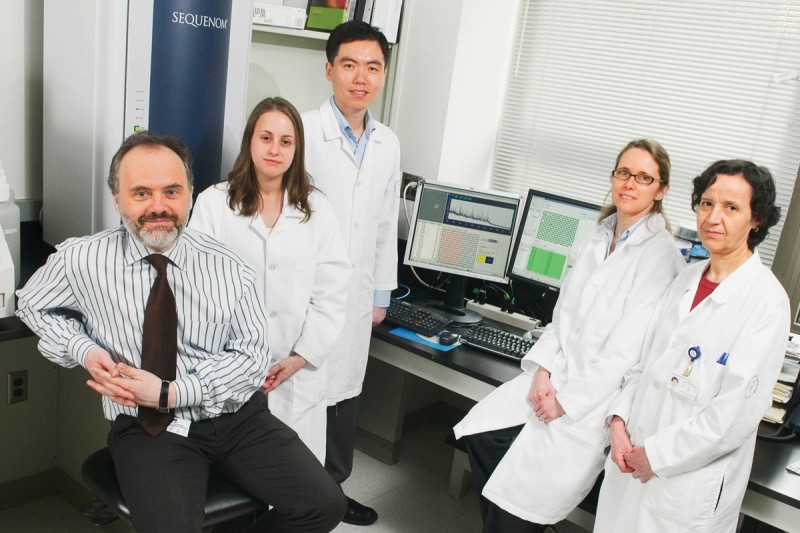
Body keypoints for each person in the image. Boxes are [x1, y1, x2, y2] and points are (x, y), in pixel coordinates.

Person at [15, 131, 346, 533]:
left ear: (190, 193)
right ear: (117, 199)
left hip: (236, 417)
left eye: (171, 191)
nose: (159, 207)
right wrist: (82, 348)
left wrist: (170, 393)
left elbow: (251, 356)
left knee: (325, 505)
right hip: (147, 428)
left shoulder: (227, 266)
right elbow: (31, 303)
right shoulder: (82, 259)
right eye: (141, 193)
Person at [453, 139, 686, 532]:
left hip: (585, 406)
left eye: (644, 177)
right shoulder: (600, 235)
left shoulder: (661, 258)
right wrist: (543, 372)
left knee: (517, 506)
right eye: (623, 172)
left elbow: (624, 354)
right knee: (482, 436)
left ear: (660, 190)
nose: (630, 183)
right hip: (550, 379)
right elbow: (563, 318)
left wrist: (566, 401)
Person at [594, 160, 790, 532]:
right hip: (630, 461)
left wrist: (656, 455)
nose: (713, 217)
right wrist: (618, 422)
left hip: (683, 490)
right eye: (706, 203)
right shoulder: (685, 278)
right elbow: (643, 364)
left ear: (757, 219)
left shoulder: (766, 302)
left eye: (731, 207)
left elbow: (733, 417)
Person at [190, 96, 351, 463]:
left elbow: (331, 295)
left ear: (297, 149)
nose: (275, 149)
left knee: (296, 489)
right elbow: (197, 292)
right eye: (266, 137)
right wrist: (232, 362)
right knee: (238, 484)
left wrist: (300, 357)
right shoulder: (214, 204)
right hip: (230, 371)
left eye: (286, 141)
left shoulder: (317, 210)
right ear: (250, 141)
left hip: (296, 374)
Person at [302, 20, 401, 526]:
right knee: (301, 399)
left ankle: (333, 493)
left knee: (343, 396)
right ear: (329, 70)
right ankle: (294, 497)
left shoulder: (387, 143)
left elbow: (385, 223)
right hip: (306, 295)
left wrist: (380, 292)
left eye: (373, 66)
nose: (360, 77)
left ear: (383, 74)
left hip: (359, 295)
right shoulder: (299, 131)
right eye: (349, 65)